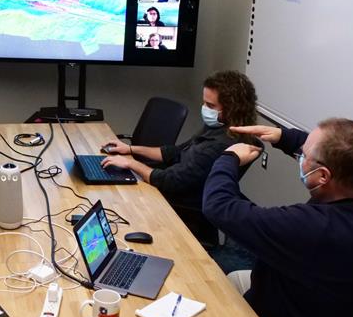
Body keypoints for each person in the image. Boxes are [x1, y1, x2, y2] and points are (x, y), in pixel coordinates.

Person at [202, 119, 353, 317]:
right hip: (337, 308)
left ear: (323, 176)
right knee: (236, 277)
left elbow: (218, 206)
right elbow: (347, 155)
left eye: (303, 155)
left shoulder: (313, 227)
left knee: (208, 298)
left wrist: (229, 158)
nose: (300, 156)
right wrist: (283, 136)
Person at [101, 71, 258, 212]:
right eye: (204, 103)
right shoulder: (219, 127)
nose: (204, 108)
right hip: (169, 185)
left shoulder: (220, 146)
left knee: (114, 199)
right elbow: (175, 152)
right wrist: (130, 149)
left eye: (210, 105)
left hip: (177, 203)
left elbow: (168, 181)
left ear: (232, 109)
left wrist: (130, 164)